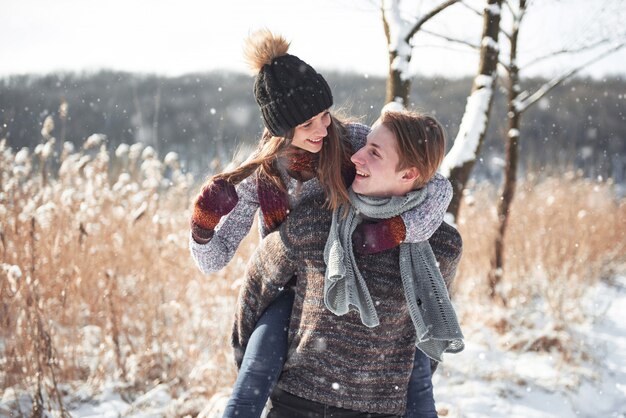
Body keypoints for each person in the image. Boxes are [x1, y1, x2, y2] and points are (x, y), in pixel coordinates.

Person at [189, 30, 453, 417]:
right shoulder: (261, 178)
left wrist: (395, 230)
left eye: (324, 114)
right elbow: (211, 261)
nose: (323, 128)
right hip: (293, 288)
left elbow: (438, 188)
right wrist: (202, 226)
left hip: (357, 273)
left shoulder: (351, 144)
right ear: (282, 127)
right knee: (254, 373)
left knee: (413, 373)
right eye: (309, 122)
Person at [233, 109, 464, 418]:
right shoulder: (315, 220)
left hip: (381, 410)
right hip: (298, 405)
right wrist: (251, 362)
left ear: (408, 175)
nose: (357, 157)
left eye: (375, 153)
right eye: (365, 145)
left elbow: (427, 328)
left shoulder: (441, 244)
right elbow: (258, 288)